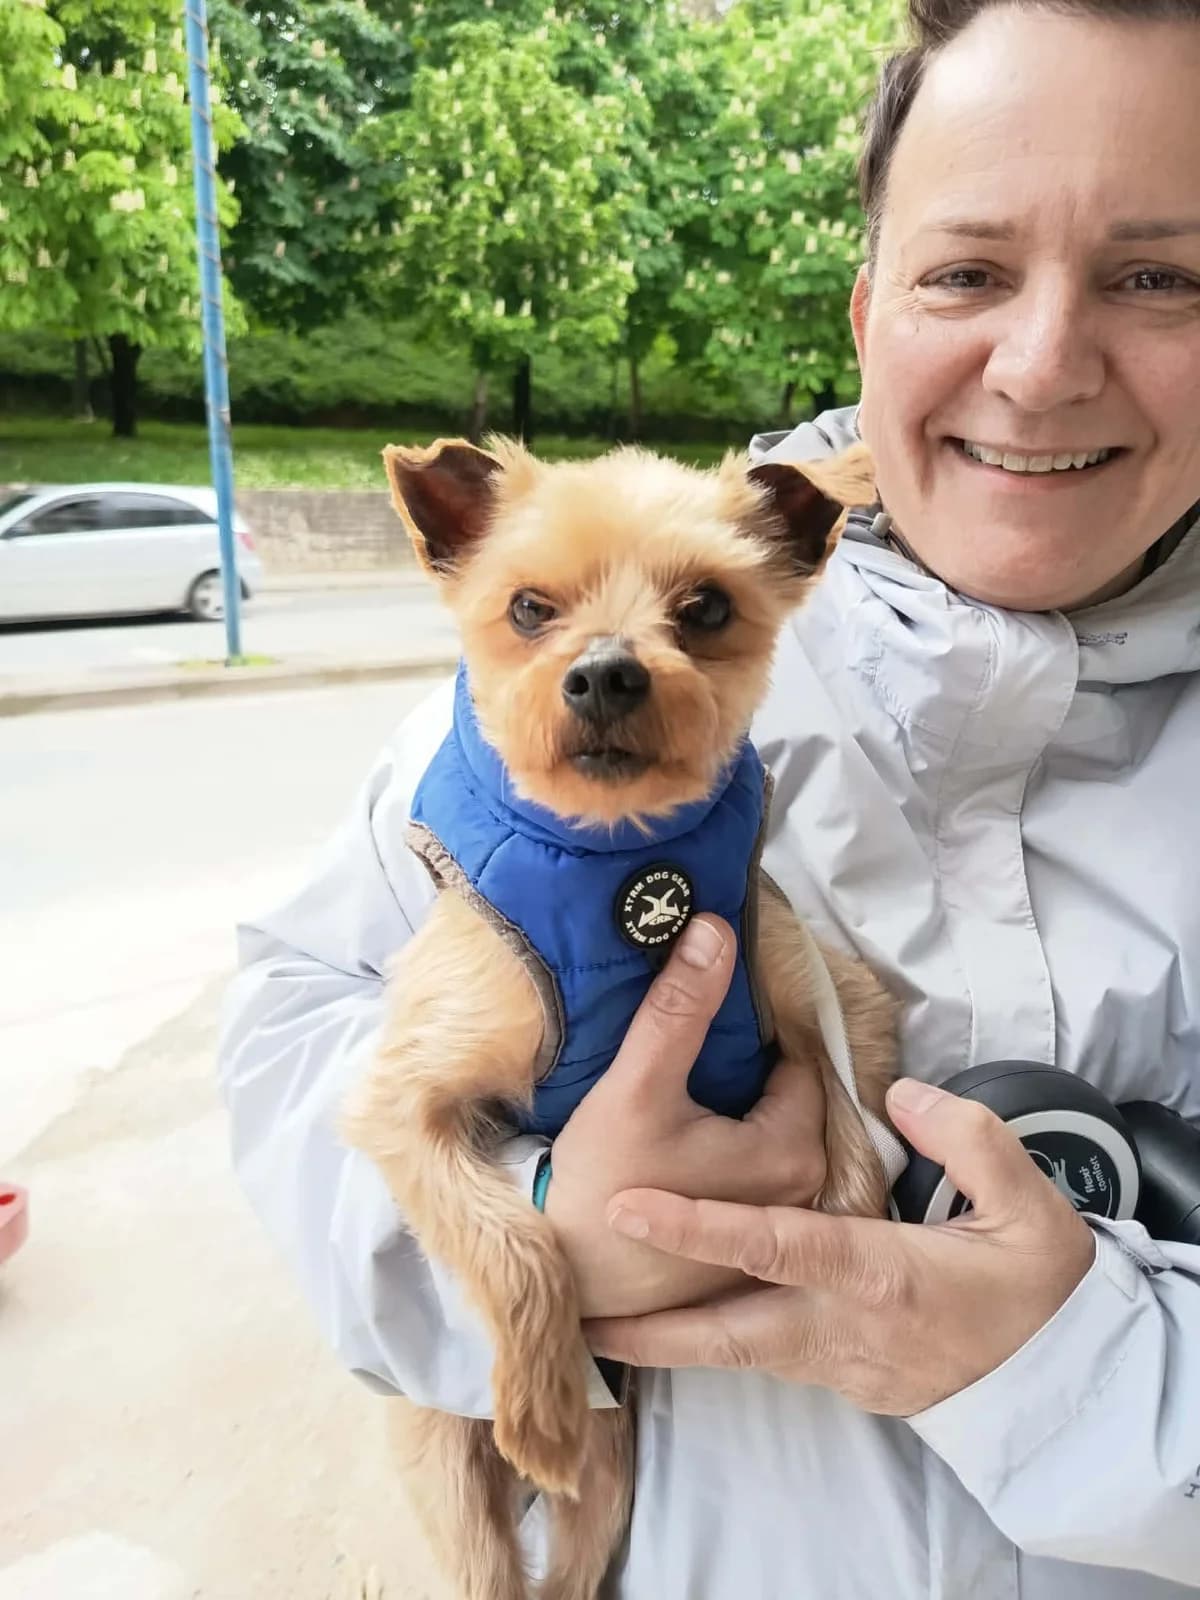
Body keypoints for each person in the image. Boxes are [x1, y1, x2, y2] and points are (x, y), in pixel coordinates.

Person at [217, 0, 1200, 1593]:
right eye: (968, 271)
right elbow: (288, 1062)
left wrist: (1086, 1380)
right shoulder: (493, 763)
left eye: (1159, 275)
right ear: (870, 309)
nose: (1042, 363)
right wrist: (538, 1240)